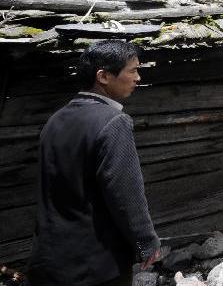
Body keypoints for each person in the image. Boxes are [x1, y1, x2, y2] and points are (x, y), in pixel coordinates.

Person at [29, 40, 160, 286]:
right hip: (97, 265)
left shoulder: (56, 120)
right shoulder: (113, 122)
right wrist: (146, 241)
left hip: (50, 260)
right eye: (132, 71)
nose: (138, 78)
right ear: (104, 76)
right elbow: (125, 192)